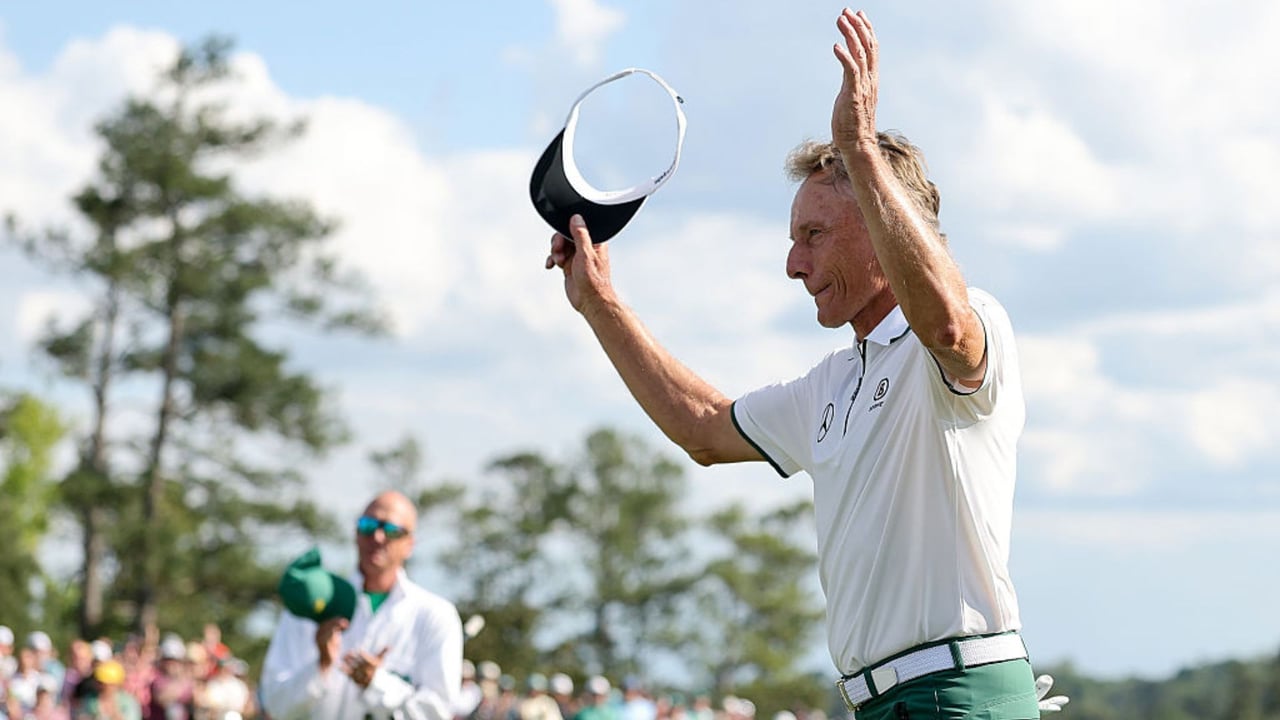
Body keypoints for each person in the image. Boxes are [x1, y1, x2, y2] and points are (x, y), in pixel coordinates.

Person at [546, 9, 1044, 719]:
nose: (792, 263)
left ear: (879, 232)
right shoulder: (832, 382)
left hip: (959, 695)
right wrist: (599, 302)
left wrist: (861, 152)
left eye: (813, 235)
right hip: (885, 701)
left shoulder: (972, 321)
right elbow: (703, 429)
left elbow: (946, 323)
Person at [260, 490, 464, 720]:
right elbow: (276, 705)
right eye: (368, 525)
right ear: (356, 533)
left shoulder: (436, 615)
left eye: (391, 530)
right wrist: (322, 666)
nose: (377, 536)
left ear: (410, 544)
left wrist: (376, 683)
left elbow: (437, 713)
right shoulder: (310, 604)